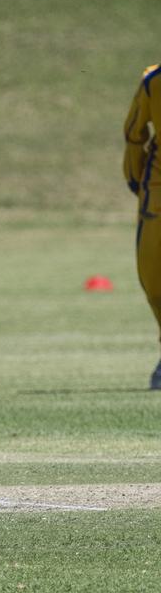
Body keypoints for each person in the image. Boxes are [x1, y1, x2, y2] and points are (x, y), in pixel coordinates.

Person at [123, 62, 161, 389]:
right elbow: (135, 133)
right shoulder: (154, 80)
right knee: (153, 277)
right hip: (158, 193)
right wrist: (135, 177)